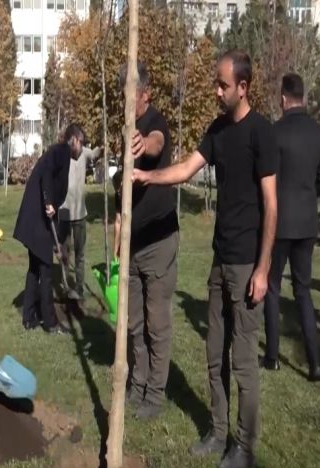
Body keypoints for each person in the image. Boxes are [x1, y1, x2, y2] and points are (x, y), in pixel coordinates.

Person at [132, 50, 278, 468]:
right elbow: (184, 170)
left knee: (244, 362)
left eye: (222, 85)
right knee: (214, 355)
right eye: (216, 83)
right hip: (219, 261)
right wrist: (146, 176)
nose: (216, 91)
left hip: (248, 263)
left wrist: (264, 267)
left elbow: (272, 205)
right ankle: (217, 431)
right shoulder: (217, 130)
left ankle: (245, 449)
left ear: (243, 87)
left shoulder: (260, 133)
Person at [114, 62, 179, 421]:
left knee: (157, 324)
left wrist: (142, 142)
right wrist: (120, 242)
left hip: (159, 241)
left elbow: (155, 145)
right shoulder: (125, 128)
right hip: (134, 244)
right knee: (134, 323)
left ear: (144, 94)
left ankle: (154, 394)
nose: (126, 100)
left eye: (130, 93)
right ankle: (137, 385)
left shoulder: (154, 123)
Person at [262, 73, 320, 381]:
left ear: (282, 98)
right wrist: (308, 196)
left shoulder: (274, 133)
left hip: (279, 222)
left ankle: (273, 356)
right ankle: (315, 364)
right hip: (306, 223)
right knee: (303, 291)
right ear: (302, 97)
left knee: (273, 288)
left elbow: (265, 175)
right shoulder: (318, 133)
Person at [14, 124, 86, 334]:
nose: (81, 150)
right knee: (45, 271)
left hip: (36, 219)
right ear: (74, 140)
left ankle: (29, 317)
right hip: (38, 219)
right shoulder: (61, 151)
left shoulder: (59, 153)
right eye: (82, 144)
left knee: (35, 268)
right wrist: (48, 201)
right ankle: (50, 322)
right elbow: (46, 174)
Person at [58, 143, 103, 300]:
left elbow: (95, 153)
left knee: (80, 255)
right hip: (63, 213)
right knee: (63, 254)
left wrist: (103, 147)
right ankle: (64, 288)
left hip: (80, 214)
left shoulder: (84, 152)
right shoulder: (61, 153)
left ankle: (79, 289)